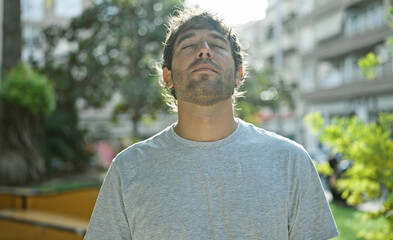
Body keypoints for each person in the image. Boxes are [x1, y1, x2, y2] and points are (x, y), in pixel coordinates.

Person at [84, 8, 339, 240]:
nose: (204, 50)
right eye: (188, 45)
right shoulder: (128, 170)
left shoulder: (291, 161)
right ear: (167, 76)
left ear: (239, 73)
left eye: (216, 44)